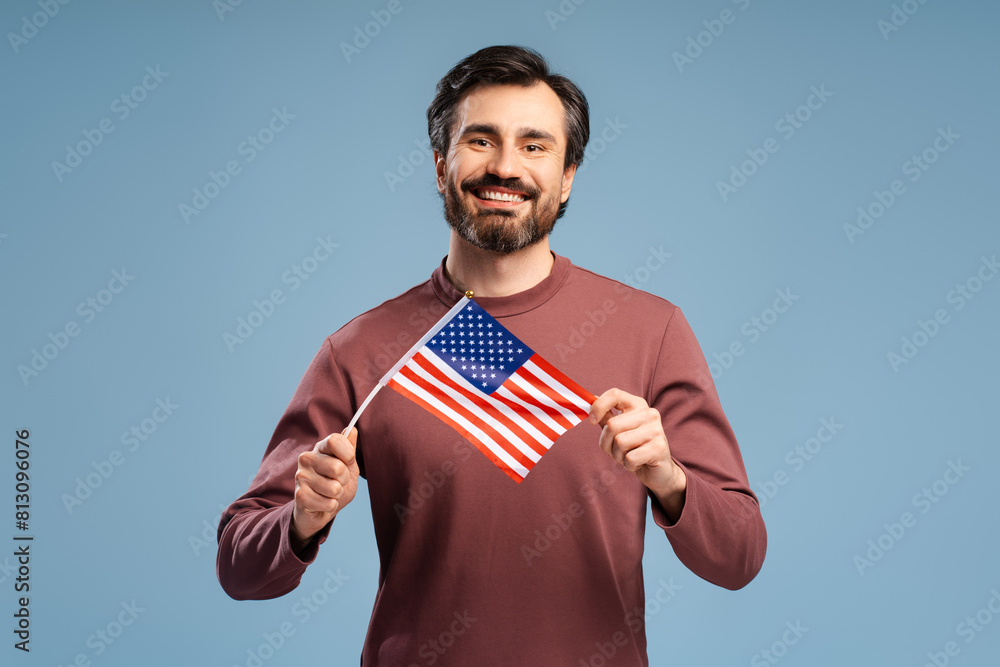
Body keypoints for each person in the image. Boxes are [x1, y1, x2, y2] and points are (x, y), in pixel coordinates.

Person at [217, 45, 766, 665]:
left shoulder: (653, 330)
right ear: (439, 165)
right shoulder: (361, 350)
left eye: (535, 146)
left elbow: (740, 557)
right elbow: (239, 568)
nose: (505, 166)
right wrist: (302, 518)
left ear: (567, 178)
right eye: (480, 140)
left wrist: (669, 479)